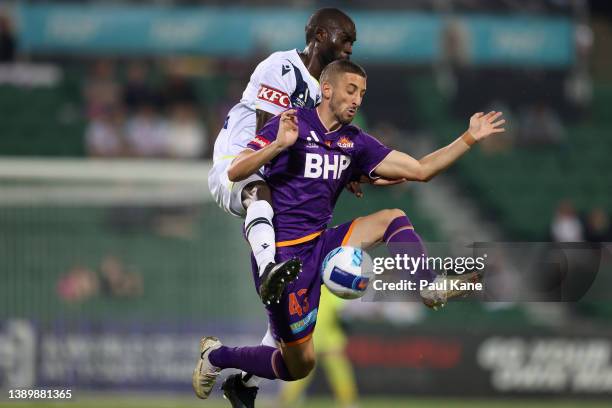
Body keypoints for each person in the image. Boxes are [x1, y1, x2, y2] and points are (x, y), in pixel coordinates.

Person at [193, 60, 505, 405]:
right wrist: (278, 144)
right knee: (299, 365)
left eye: (362, 94)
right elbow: (236, 170)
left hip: (321, 244)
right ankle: (217, 357)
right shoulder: (291, 123)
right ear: (326, 89)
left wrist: (469, 138)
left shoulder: (354, 142)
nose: (357, 100)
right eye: (351, 90)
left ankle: (428, 288)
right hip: (282, 264)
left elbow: (420, 169)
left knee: (393, 218)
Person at [208, 8, 361, 308]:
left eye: (353, 42)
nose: (350, 48)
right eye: (345, 39)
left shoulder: (326, 93)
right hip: (238, 160)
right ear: (320, 35)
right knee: (259, 190)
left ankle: (255, 338)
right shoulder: (282, 66)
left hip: (276, 173)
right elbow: (267, 135)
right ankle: (267, 269)